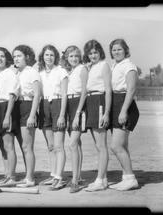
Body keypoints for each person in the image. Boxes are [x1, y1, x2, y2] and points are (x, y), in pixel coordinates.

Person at [108, 38, 139, 191]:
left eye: (119, 49)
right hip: (115, 103)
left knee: (116, 146)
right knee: (123, 146)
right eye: (113, 50)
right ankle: (126, 178)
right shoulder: (115, 66)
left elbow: (131, 90)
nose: (116, 52)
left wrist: (123, 111)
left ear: (126, 50)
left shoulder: (129, 66)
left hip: (124, 105)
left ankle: (131, 178)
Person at [82, 39, 112, 192]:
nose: (93, 55)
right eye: (90, 53)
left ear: (100, 52)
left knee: (101, 145)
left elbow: (108, 89)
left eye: (95, 52)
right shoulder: (90, 67)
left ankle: (100, 180)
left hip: (100, 101)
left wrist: (106, 113)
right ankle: (104, 178)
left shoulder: (104, 65)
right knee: (97, 144)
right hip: (90, 102)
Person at [37, 45, 68, 191]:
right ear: (42, 57)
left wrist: (62, 115)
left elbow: (64, 95)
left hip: (57, 104)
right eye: (46, 55)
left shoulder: (61, 71)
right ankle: (53, 174)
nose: (48, 57)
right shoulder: (40, 73)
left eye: (51, 55)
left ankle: (59, 178)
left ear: (55, 57)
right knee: (50, 146)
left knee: (58, 146)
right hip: (44, 106)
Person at [0, 47, 24, 184]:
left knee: (9, 145)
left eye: (2, 56)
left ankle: (11, 177)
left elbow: (12, 96)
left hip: (7, 108)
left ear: (7, 59)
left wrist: (7, 116)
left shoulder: (10, 73)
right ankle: (7, 174)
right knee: (3, 146)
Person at [61, 45, 89, 193]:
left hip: (79, 105)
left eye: (76, 56)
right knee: (76, 144)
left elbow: (84, 93)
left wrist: (78, 114)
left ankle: (74, 181)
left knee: (72, 144)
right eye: (71, 56)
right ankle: (77, 177)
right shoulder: (68, 71)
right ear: (67, 57)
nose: (73, 59)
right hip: (68, 106)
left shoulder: (82, 69)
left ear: (80, 57)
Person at [12, 45, 41, 188]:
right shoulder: (17, 73)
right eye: (14, 56)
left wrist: (31, 115)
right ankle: (27, 176)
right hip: (18, 106)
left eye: (19, 56)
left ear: (27, 57)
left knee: (27, 146)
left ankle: (30, 179)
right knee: (23, 146)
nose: (16, 59)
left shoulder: (32, 72)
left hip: (28, 107)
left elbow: (37, 95)